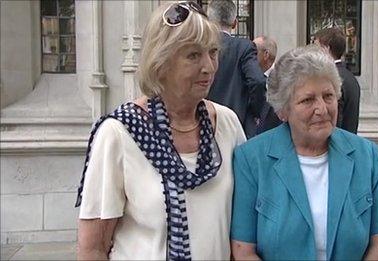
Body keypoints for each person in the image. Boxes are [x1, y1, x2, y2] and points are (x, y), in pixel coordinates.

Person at [75, 2, 246, 260]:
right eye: (193, 55)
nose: (209, 67)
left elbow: (243, 227)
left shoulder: (227, 124)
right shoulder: (119, 133)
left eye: (212, 53)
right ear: (161, 61)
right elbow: (93, 248)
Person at [231, 45, 378, 260]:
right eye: (307, 100)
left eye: (328, 96)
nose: (322, 109)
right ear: (282, 110)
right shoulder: (251, 159)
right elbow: (243, 250)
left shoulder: (365, 155)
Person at [207, 0, 267, 138]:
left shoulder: (197, 47)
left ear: (209, 21)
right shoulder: (243, 47)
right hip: (237, 124)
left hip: (202, 124)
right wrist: (255, 111)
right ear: (235, 23)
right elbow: (257, 80)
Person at [314, 27, 361, 134]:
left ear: (326, 48)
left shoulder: (331, 78)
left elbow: (334, 119)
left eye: (316, 48)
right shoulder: (350, 76)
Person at [252, 35, 281, 134]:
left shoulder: (282, 78)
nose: (249, 56)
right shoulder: (250, 77)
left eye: (253, 52)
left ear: (266, 54)